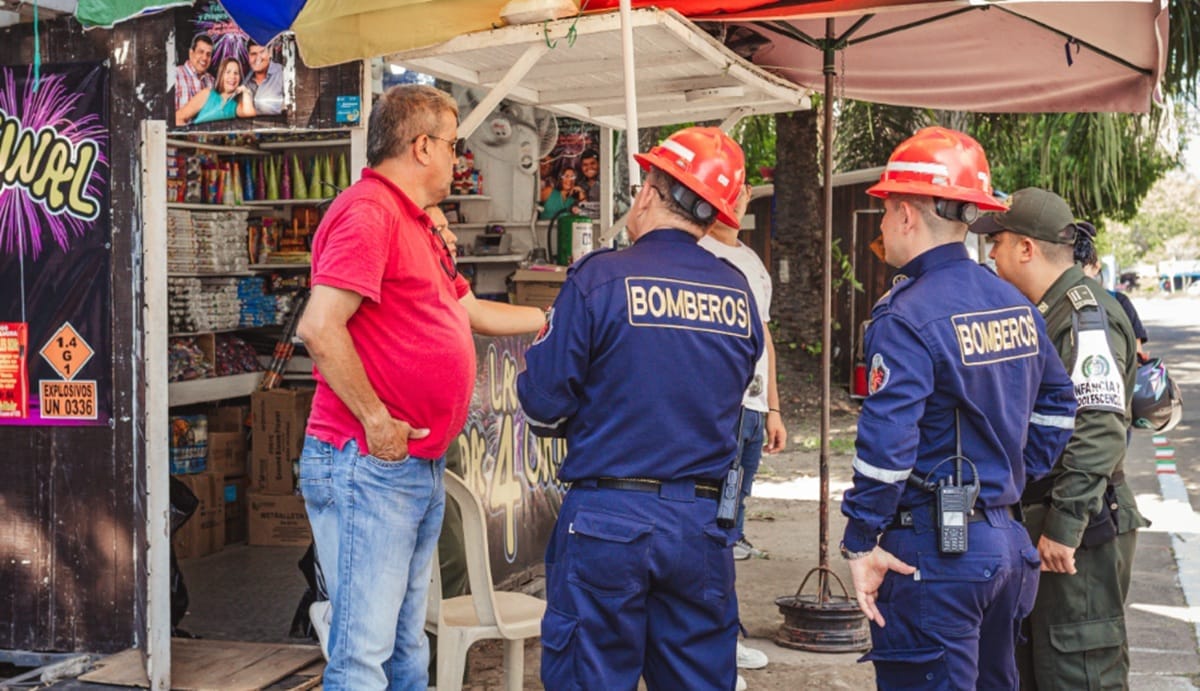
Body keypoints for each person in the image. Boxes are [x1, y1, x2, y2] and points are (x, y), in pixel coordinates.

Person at [518, 127, 761, 690]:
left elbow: (542, 404)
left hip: (608, 520)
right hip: (701, 525)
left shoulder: (600, 277)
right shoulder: (737, 291)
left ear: (649, 193)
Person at [839, 128, 1077, 689]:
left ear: (905, 214)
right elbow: (1059, 404)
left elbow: (887, 449)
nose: (880, 227)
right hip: (1004, 546)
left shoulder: (905, 315)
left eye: (884, 212)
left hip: (936, 556)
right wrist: (1011, 474)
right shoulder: (1015, 303)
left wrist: (860, 539)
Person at [295, 84, 466, 691]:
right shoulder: (370, 211)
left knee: (404, 644)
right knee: (363, 654)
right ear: (422, 146)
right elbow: (319, 327)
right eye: (453, 145)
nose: (457, 158)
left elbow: (459, 312)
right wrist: (376, 420)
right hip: (370, 460)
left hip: (406, 462)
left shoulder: (409, 218)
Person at [971, 187, 1150, 690]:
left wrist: (1065, 526)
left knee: (1078, 669)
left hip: (1079, 523)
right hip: (1047, 514)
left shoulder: (1082, 316)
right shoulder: (1045, 311)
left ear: (1026, 248)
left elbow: (1098, 428)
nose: (991, 254)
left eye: (998, 242)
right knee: (1036, 664)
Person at [699, 184, 785, 674]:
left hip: (751, 412)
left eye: (738, 190)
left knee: (732, 524)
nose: (731, 200)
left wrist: (773, 407)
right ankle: (713, 643)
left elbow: (764, 335)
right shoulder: (698, 252)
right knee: (713, 523)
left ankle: (723, 635)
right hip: (719, 411)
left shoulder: (752, 262)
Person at [1074, 221, 1150, 361]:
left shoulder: (1049, 304)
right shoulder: (1119, 302)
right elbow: (1138, 357)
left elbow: (1137, 355)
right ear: (1097, 267)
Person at [175, 58, 256, 126]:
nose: (232, 76)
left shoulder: (234, 106)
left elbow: (249, 113)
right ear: (221, 75)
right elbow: (178, 117)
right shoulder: (207, 94)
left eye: (236, 73)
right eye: (228, 72)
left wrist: (245, 91)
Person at [243, 40, 285, 116]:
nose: (257, 58)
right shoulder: (245, 81)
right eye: (253, 54)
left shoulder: (282, 73)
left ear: (270, 53)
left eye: (262, 52)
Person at [174, 33, 214, 113]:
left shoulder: (212, 81)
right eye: (201, 52)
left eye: (208, 54)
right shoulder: (175, 76)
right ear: (191, 53)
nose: (204, 58)